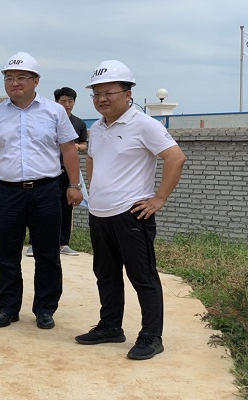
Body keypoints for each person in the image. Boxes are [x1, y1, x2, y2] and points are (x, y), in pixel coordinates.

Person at [74, 60, 185, 360]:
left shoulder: (144, 124)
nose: (102, 99)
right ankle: (110, 326)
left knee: (142, 276)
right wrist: (95, 191)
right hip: (100, 213)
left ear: (128, 93)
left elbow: (175, 158)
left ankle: (151, 336)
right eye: (97, 93)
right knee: (105, 274)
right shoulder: (98, 128)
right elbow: (92, 158)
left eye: (108, 92)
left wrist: (158, 199)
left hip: (131, 214)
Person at [0, 52, 83, 330]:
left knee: (47, 253)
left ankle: (45, 309)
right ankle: (8, 307)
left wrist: (74, 185)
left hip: (47, 191)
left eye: (21, 77)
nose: (15, 83)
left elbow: (69, 149)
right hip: (8, 192)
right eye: (9, 78)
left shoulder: (54, 111)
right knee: (6, 253)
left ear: (36, 81)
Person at [26, 87, 88, 257]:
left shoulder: (79, 123)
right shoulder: (47, 119)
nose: (67, 104)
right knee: (41, 208)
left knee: (67, 208)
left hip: (68, 171)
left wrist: (77, 147)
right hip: (48, 172)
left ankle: (63, 243)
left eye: (70, 101)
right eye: (63, 101)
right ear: (56, 102)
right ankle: (34, 243)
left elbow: (84, 144)